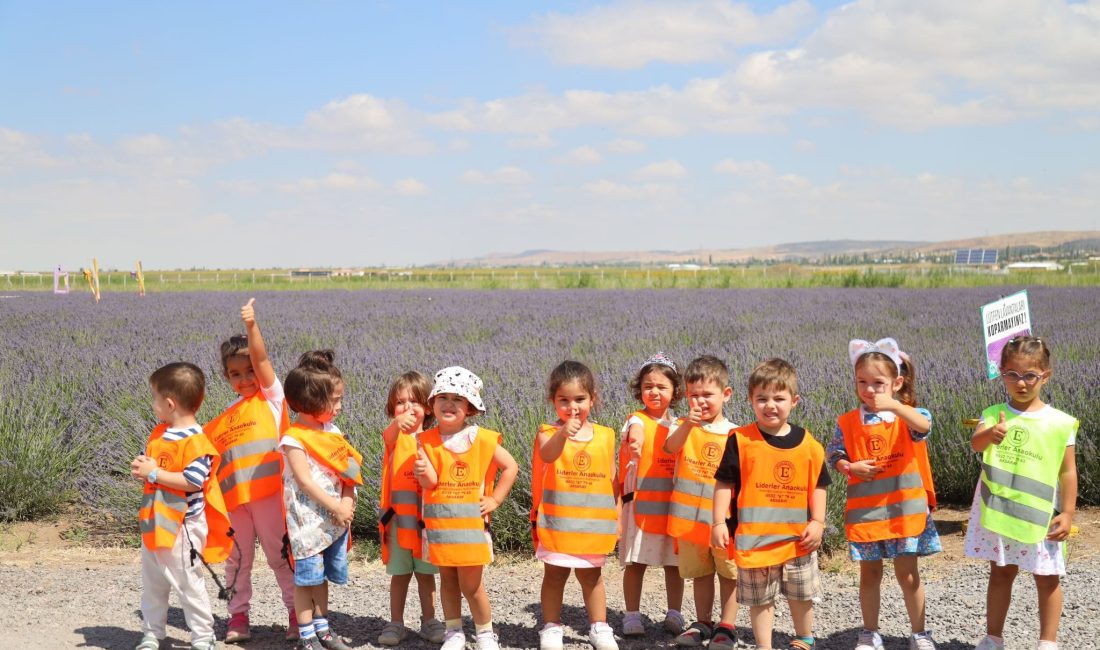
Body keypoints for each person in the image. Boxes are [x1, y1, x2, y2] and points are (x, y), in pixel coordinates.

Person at [827, 339, 940, 650]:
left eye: (878, 383)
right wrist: (849, 467)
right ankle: (870, 633)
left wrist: (896, 407)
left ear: (896, 382)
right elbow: (834, 454)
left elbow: (925, 426)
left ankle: (919, 632)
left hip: (904, 512)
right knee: (869, 575)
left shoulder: (907, 415)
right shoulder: (848, 421)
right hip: (869, 513)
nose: (869, 390)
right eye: (862, 382)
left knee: (908, 575)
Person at [967, 336, 1078, 650]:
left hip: (1042, 516)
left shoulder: (1060, 423)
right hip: (1001, 513)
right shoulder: (993, 413)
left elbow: (1068, 470)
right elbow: (976, 444)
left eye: (1030, 375)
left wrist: (1068, 512)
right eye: (1012, 374)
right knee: (1001, 574)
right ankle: (993, 638)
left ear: (1046, 375)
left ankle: (1048, 641)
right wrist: (990, 433)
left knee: (1047, 578)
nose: (1021, 382)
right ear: (1001, 373)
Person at [712, 358, 828, 650]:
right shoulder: (740, 440)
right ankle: (765, 646)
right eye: (761, 399)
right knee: (760, 599)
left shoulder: (809, 444)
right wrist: (717, 522)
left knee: (801, 593)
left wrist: (818, 521)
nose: (770, 405)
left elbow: (818, 485)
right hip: (755, 542)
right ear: (750, 400)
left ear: (794, 401)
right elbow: (724, 483)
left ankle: (804, 638)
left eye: (779, 398)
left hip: (797, 539)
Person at [203, 298, 296, 643]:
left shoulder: (272, 399)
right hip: (235, 502)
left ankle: (296, 612)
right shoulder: (224, 416)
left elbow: (263, 359)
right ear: (226, 377)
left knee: (281, 555)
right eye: (235, 374)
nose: (244, 379)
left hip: (269, 496)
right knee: (236, 560)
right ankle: (238, 616)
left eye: (249, 372)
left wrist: (251, 327)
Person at [415, 366, 519, 650]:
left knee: (472, 587)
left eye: (458, 399)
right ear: (432, 404)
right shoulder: (425, 440)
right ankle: (454, 631)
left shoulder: (481, 438)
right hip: (441, 529)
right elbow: (431, 483)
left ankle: (485, 632)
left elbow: (510, 466)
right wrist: (422, 470)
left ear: (470, 408)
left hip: (472, 529)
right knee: (448, 581)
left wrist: (495, 499)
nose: (449, 404)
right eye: (443, 397)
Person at [131, 362, 232, 650]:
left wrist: (153, 473)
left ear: (170, 403)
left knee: (188, 582)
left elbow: (192, 481)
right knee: (153, 582)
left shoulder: (197, 443)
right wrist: (142, 467)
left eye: (155, 399)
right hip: (155, 520)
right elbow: (149, 461)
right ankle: (152, 633)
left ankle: (202, 637)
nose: (153, 405)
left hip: (183, 526)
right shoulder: (159, 434)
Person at [533, 361, 620, 650]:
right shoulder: (547, 431)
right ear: (553, 401)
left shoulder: (606, 435)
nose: (573, 407)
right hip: (558, 526)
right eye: (564, 400)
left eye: (580, 399)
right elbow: (547, 455)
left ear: (593, 398)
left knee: (592, 578)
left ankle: (599, 626)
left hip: (591, 528)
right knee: (554, 576)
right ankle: (551, 626)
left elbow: (611, 479)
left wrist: (617, 516)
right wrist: (562, 433)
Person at [280, 351, 360, 650]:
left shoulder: (332, 432)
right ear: (311, 404)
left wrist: (348, 502)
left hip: (333, 519)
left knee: (322, 576)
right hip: (307, 523)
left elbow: (348, 471)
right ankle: (305, 634)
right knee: (306, 579)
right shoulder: (293, 439)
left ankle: (323, 627)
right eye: (335, 400)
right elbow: (304, 481)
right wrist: (336, 505)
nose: (340, 407)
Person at [663, 355, 739, 650]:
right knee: (700, 573)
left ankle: (728, 625)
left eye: (708, 394)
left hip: (724, 522)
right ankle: (703, 622)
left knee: (728, 573)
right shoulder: (681, 426)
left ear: (726, 395)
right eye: (694, 395)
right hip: (691, 521)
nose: (700, 401)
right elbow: (670, 448)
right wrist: (687, 426)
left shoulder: (735, 433)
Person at [618, 353, 686, 638]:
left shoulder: (682, 425)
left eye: (661, 387)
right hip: (641, 505)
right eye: (648, 386)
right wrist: (636, 444)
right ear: (639, 390)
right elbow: (637, 434)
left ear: (675, 391)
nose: (654, 392)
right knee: (637, 561)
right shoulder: (636, 419)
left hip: (672, 505)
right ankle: (632, 614)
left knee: (674, 563)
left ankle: (675, 613)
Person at [377, 372, 444, 646]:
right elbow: (389, 435)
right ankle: (396, 623)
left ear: (428, 407)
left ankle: (429, 621)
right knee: (400, 575)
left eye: (415, 401)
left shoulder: (434, 438)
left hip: (426, 522)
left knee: (426, 575)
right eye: (400, 402)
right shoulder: (395, 436)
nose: (407, 407)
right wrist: (397, 424)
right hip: (399, 522)